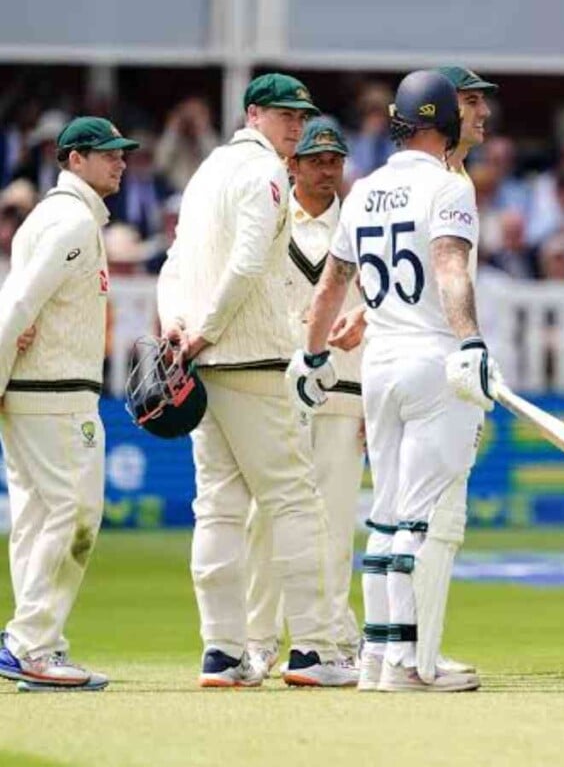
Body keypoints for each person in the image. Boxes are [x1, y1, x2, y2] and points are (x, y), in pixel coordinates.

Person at [293, 69, 497, 692]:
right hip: (433, 361)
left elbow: (331, 285)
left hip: (379, 365)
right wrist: (470, 342)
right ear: (444, 123)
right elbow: (450, 269)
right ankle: (407, 664)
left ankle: (380, 661)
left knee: (383, 518)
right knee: (415, 520)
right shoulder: (447, 187)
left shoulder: (365, 190)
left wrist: (313, 356)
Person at [157, 73, 355, 688]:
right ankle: (314, 651)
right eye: (284, 116)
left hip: (205, 366)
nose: (295, 127)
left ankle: (222, 652)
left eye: (301, 117)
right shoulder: (266, 172)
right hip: (250, 361)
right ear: (253, 115)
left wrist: (178, 330)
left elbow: (174, 266)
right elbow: (243, 263)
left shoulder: (204, 174)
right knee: (295, 501)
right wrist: (202, 332)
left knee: (217, 509)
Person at [0, 116, 140, 692]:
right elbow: (17, 304)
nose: (121, 161)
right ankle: (30, 643)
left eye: (122, 152)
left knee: (37, 518)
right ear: (73, 160)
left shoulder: (63, 218)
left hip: (38, 395)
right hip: (55, 398)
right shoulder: (69, 222)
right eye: (107, 154)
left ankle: (36, 641)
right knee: (74, 514)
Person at [243, 116, 364, 679]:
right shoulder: (268, 221)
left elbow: (385, 304)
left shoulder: (359, 226)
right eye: (315, 160)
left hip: (342, 389)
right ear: (292, 166)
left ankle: (331, 638)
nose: (327, 170)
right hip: (274, 390)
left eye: (334, 160)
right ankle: (256, 638)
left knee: (334, 521)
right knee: (266, 518)